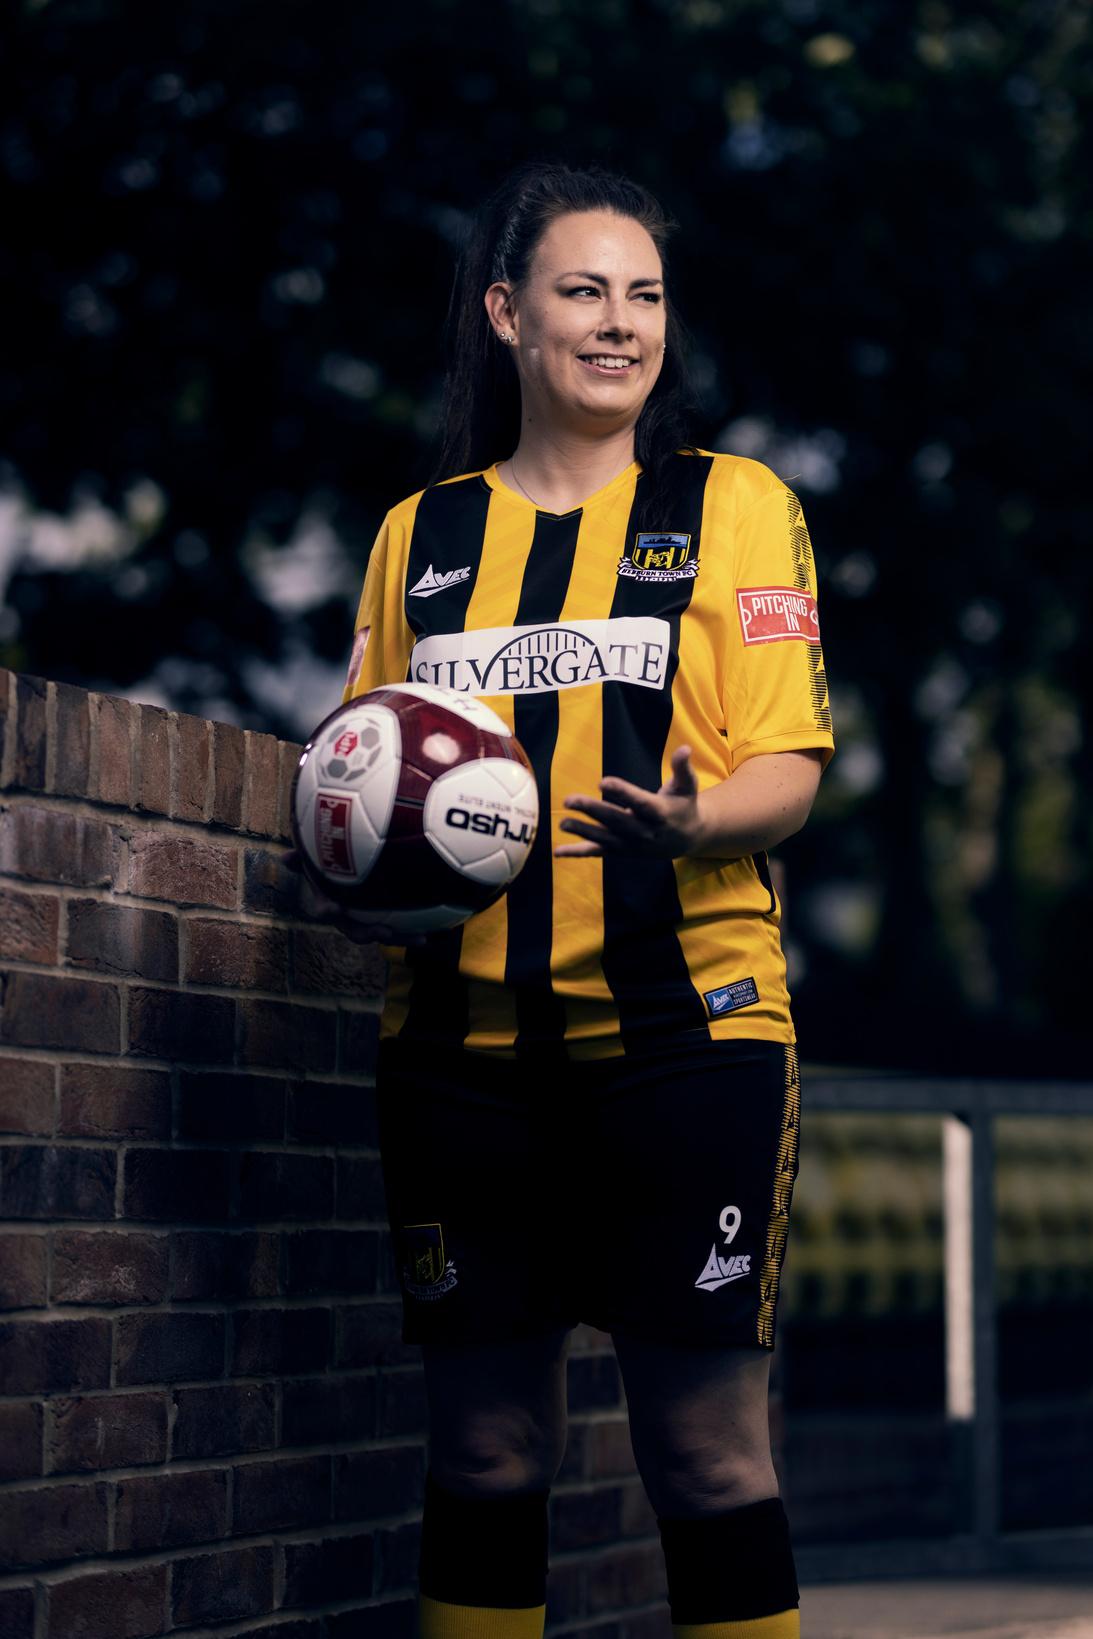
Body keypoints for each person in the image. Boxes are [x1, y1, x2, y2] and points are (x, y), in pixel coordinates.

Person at [305, 161, 834, 1639]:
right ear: (506, 314)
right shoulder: (422, 535)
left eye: (644, 295)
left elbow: (789, 765)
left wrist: (694, 821)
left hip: (688, 1041)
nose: (620, 322)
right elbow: (362, 761)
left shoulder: (734, 506)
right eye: (583, 290)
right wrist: (348, 871)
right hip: (459, 1055)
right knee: (483, 1451)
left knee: (706, 1453)